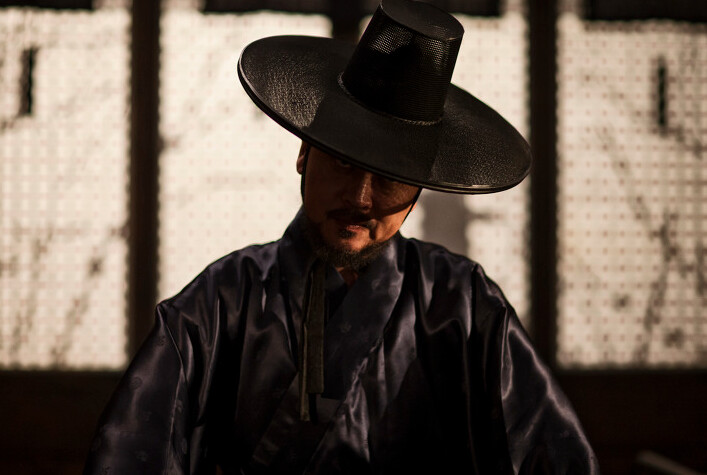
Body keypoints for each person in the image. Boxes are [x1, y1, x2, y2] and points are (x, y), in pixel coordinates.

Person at [85, 0, 599, 473]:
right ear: (304, 153)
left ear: (418, 189)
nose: (360, 197)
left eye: (390, 178)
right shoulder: (219, 304)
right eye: (343, 163)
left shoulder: (462, 305)